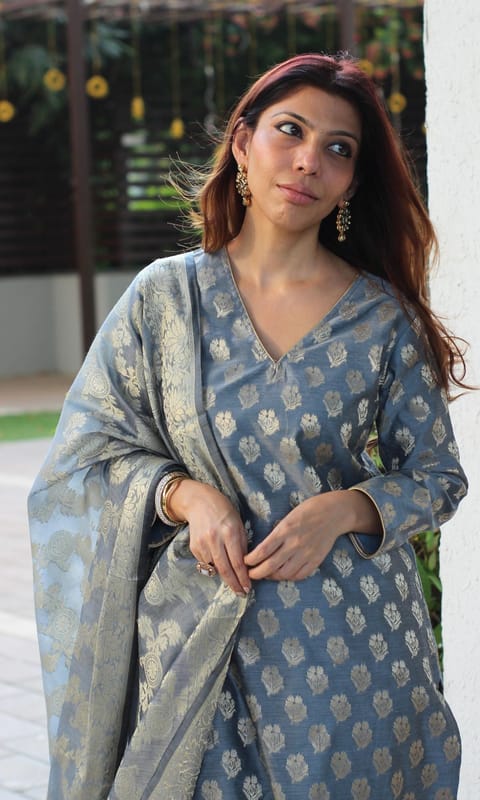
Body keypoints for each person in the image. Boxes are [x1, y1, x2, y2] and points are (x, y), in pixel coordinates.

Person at [29, 53, 469, 800]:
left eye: (338, 148)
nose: (308, 161)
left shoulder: (380, 317)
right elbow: (86, 453)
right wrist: (184, 495)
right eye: (289, 131)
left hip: (351, 653)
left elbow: (437, 477)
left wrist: (347, 508)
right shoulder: (164, 299)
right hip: (195, 642)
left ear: (351, 183)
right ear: (242, 143)